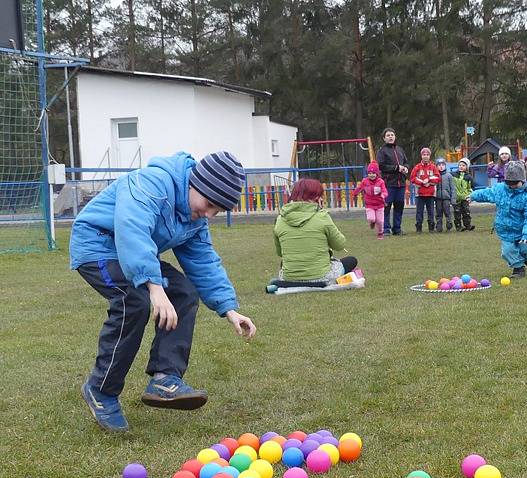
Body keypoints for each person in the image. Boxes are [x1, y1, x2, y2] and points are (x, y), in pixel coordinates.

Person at [69, 151, 257, 433]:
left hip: (133, 254)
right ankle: (101, 389)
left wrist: (228, 309)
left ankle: (165, 379)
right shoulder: (153, 184)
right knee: (133, 301)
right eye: (209, 204)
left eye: (216, 211)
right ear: (197, 185)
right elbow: (131, 227)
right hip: (97, 245)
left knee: (183, 291)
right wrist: (154, 287)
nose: (209, 214)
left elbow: (203, 261)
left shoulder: (193, 217)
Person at [272, 179, 358, 285]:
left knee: (284, 263)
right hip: (322, 276)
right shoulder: (322, 217)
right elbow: (340, 245)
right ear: (316, 197)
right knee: (351, 261)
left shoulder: (280, 219)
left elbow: (280, 253)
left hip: (289, 277)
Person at [470, 161, 527, 278]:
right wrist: (473, 195)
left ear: (522, 181)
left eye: (515, 183)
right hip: (506, 230)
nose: (511, 186)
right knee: (508, 251)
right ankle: (518, 268)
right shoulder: (500, 189)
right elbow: (487, 193)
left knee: (526, 248)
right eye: (509, 183)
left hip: (522, 231)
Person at [376, 128, 409, 236]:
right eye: (388, 135)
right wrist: (396, 168)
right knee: (386, 206)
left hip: (401, 183)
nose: (390, 137)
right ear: (384, 138)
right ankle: (385, 229)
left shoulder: (400, 150)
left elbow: (406, 162)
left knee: (399, 206)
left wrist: (406, 168)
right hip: (388, 184)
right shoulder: (382, 151)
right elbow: (381, 166)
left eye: (392, 135)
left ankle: (397, 228)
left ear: (395, 137)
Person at [351, 161, 388, 239]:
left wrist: (383, 195)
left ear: (377, 173)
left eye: (373, 173)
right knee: (371, 218)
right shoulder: (365, 181)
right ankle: (372, 222)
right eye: (369, 173)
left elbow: (385, 191)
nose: (371, 175)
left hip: (380, 204)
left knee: (380, 221)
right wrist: (354, 193)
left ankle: (380, 233)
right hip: (369, 204)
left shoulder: (381, 182)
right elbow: (359, 188)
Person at [410, 147, 439, 233]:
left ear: (430, 156)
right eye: (424, 155)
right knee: (419, 212)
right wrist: (422, 182)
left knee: (431, 212)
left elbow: (437, 177)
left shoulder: (433, 167)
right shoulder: (417, 167)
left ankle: (431, 227)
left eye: (427, 155)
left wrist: (429, 180)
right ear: (421, 156)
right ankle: (419, 227)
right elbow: (412, 178)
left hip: (430, 194)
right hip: (420, 194)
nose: (425, 156)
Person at [452, 158, 475, 231]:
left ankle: (468, 225)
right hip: (456, 197)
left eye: (463, 165)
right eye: (460, 165)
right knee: (457, 212)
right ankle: (458, 226)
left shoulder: (469, 177)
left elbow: (471, 187)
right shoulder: (453, 175)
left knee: (466, 212)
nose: (461, 167)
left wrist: (470, 195)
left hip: (465, 197)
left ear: (467, 167)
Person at [433, 157, 455, 232]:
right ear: (436, 166)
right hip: (438, 198)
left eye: (442, 165)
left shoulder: (449, 176)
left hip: (446, 198)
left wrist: (453, 199)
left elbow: (453, 188)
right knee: (438, 213)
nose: (441, 166)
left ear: (445, 166)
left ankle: (449, 226)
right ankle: (439, 227)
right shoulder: (435, 176)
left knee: (447, 212)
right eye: (439, 165)